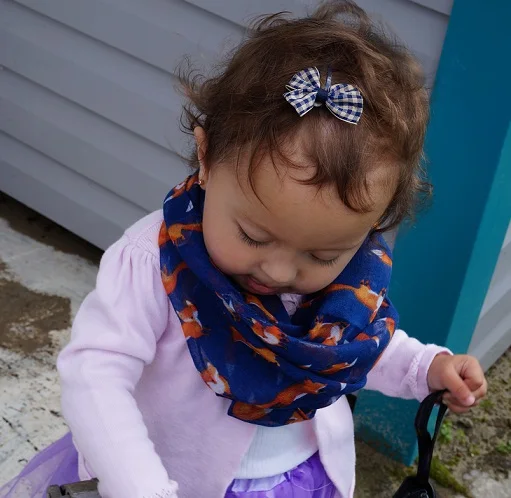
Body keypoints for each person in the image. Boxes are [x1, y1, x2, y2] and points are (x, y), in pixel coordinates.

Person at [0, 2, 487, 497]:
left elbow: (354, 344)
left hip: (301, 476)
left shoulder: (352, 272)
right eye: (253, 236)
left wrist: (425, 368)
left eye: (322, 257)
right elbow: (96, 373)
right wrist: (139, 485)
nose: (278, 271)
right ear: (207, 158)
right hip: (172, 479)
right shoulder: (153, 262)